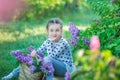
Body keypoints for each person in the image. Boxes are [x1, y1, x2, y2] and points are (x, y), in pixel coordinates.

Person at [2, 18, 75, 80]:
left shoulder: (63, 43)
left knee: (47, 60)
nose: (54, 33)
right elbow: (40, 51)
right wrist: (34, 54)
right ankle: (12, 74)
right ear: (47, 32)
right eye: (51, 30)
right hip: (54, 66)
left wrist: (39, 60)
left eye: (57, 30)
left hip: (65, 69)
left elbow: (52, 56)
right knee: (29, 60)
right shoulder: (48, 41)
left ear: (61, 32)